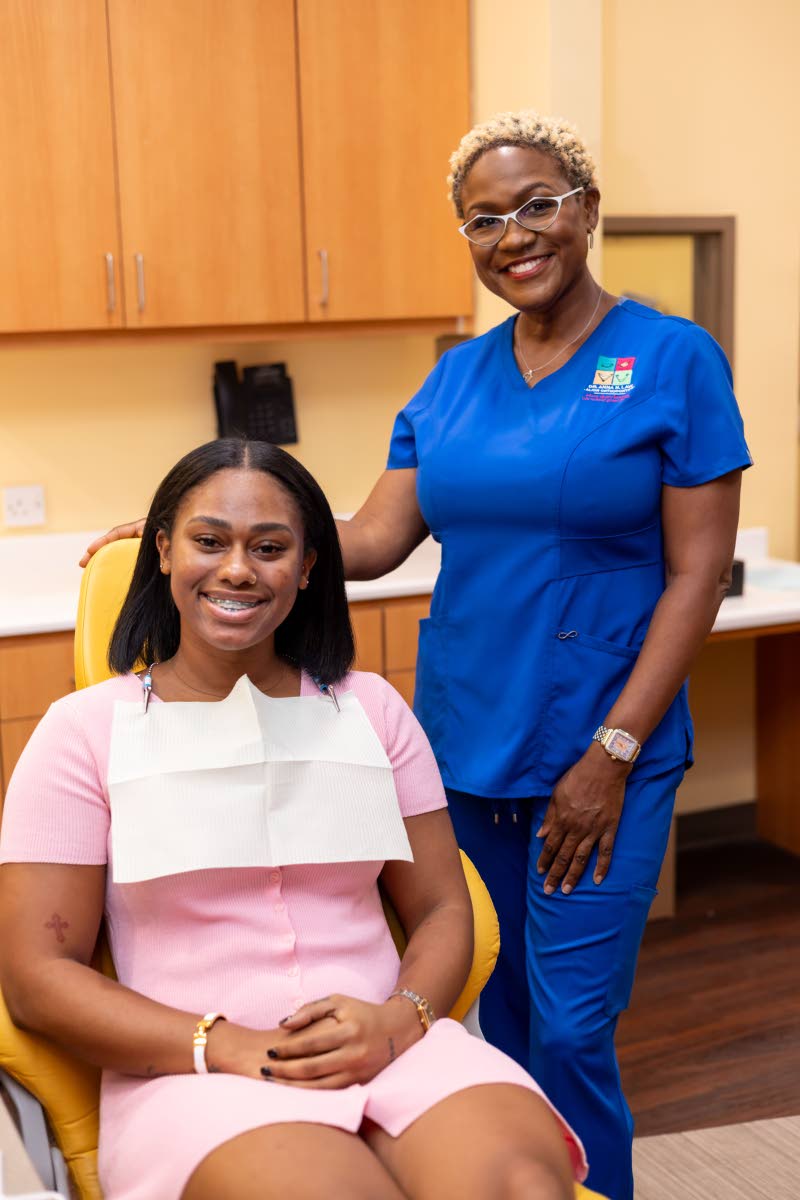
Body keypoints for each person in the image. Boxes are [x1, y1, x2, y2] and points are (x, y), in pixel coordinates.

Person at [79, 110, 751, 1199]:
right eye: (482, 220)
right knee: (486, 1008)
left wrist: (614, 750)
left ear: (582, 207)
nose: (512, 234)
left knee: (573, 1025)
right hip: (461, 740)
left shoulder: (672, 360)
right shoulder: (453, 381)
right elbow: (375, 537)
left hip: (600, 744)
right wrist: (194, 535)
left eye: (535, 204)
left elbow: (693, 576)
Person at [0, 438, 587, 1200]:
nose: (238, 568)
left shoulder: (369, 709)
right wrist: (228, 1044)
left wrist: (398, 1020)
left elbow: (443, 905)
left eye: (269, 547)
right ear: (164, 553)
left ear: (308, 567)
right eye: (209, 541)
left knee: (520, 1186)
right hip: (197, 1075)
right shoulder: (83, 733)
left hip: (393, 1045)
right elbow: (38, 975)